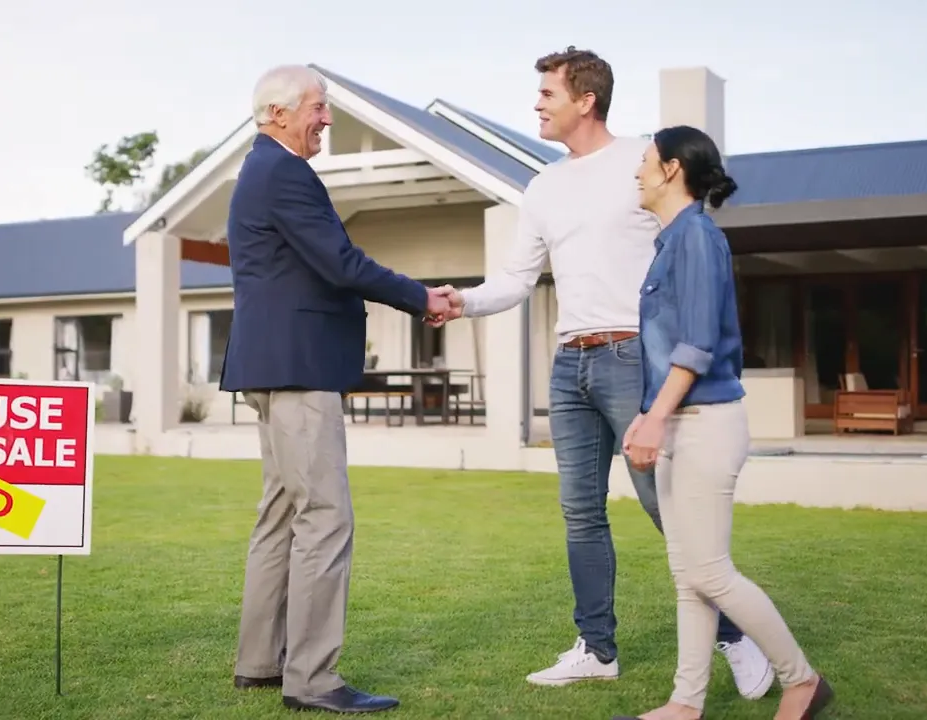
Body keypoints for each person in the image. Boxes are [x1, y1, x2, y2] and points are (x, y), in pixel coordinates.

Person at [430, 47, 773, 698]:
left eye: (548, 94)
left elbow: (689, 241)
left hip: (630, 358)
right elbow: (516, 279)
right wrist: (463, 301)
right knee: (580, 513)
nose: (537, 104)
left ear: (585, 100)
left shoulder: (646, 161)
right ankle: (597, 647)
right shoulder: (543, 186)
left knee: (664, 508)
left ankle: (735, 636)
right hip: (570, 362)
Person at [219, 63, 452, 715]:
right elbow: (339, 263)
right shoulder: (284, 172)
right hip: (297, 370)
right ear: (278, 114)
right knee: (324, 516)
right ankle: (314, 680)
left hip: (270, 366)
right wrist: (419, 296)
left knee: (280, 514)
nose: (326, 119)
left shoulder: (261, 170)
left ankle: (261, 662)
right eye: (318, 108)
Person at [614, 125, 834, 720]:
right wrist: (649, 417)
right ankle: (686, 704)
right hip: (677, 419)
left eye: (643, 161)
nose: (636, 171)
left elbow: (698, 343)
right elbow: (664, 353)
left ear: (671, 169)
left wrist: (655, 418)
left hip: (706, 421)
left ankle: (801, 679)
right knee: (688, 574)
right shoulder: (669, 242)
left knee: (710, 570)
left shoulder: (698, 238)